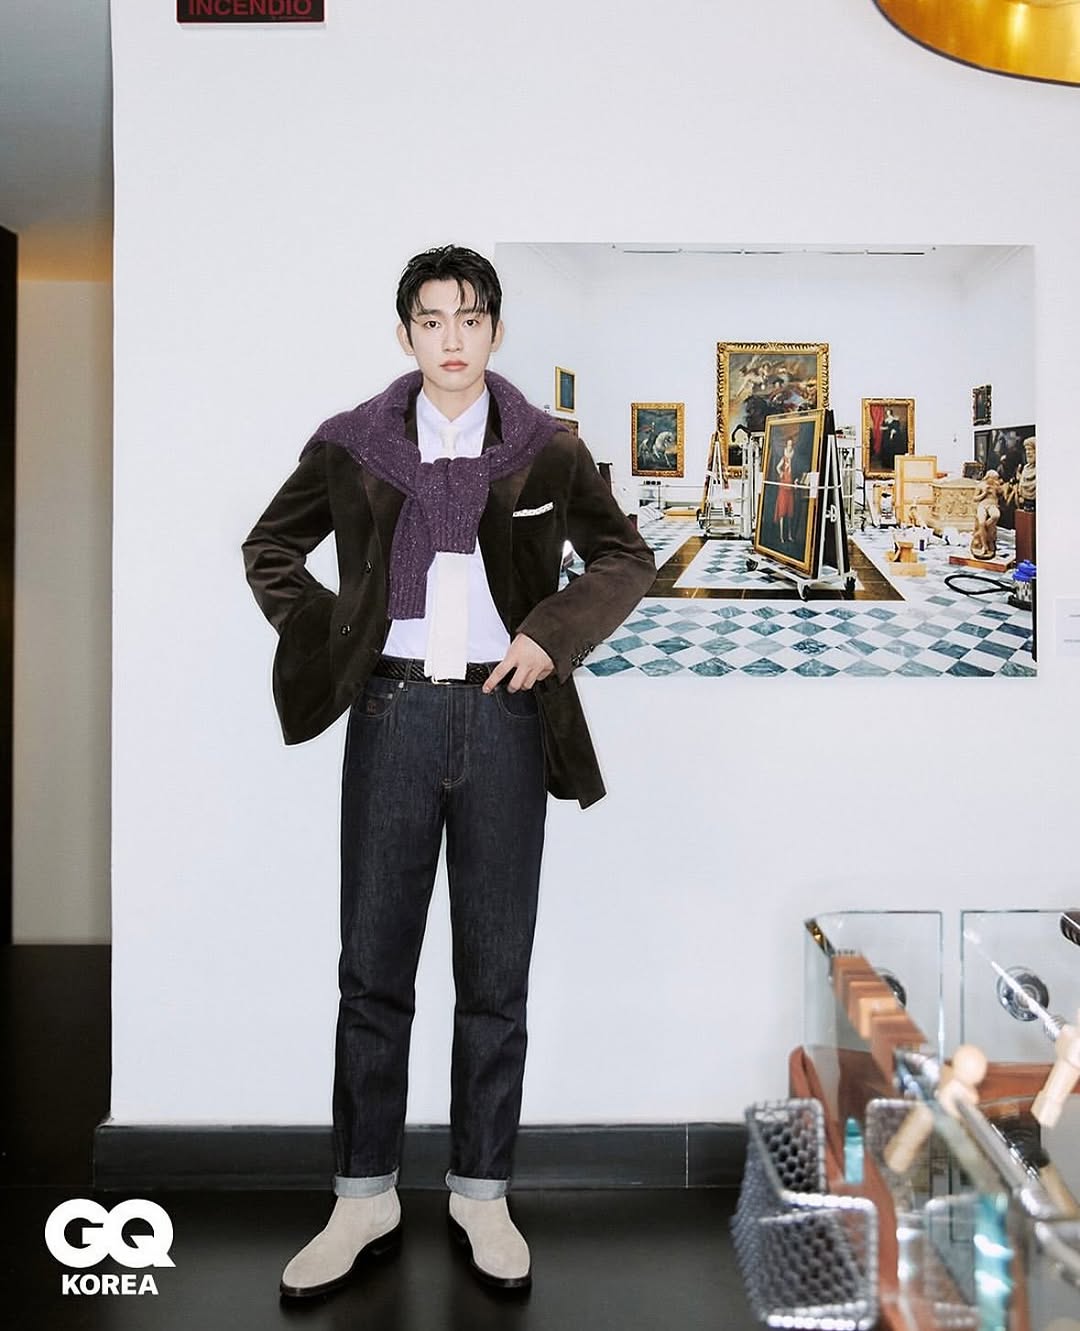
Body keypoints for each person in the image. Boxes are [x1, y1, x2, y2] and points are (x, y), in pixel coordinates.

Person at [242, 245, 655, 1300]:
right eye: (432, 321)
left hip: (504, 716)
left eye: (470, 319)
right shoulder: (352, 444)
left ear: (496, 331)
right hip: (390, 714)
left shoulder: (547, 448)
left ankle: (481, 1192)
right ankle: (362, 1196)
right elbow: (270, 549)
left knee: (495, 974)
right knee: (372, 971)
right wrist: (341, 627)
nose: (453, 339)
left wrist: (551, 634)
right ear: (406, 335)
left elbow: (625, 557)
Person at [772, 434, 797, 545]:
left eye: (791, 445)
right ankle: (782, 536)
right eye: (788, 445)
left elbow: (795, 472)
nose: (790, 447)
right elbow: (777, 467)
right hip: (783, 486)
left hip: (790, 486)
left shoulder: (794, 458)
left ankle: (789, 535)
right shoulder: (784, 457)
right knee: (782, 512)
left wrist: (795, 480)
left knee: (790, 513)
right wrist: (781, 473)